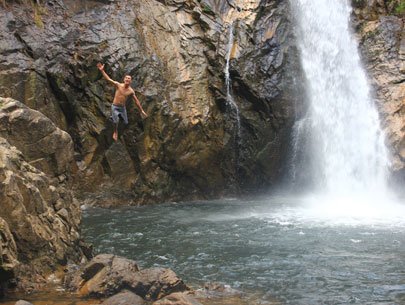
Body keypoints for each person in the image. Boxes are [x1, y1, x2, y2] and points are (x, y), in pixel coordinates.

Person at [97, 62, 148, 141]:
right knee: (116, 120)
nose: (127, 79)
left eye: (129, 79)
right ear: (124, 80)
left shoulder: (131, 91)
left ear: (130, 81)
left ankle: (116, 117)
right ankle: (115, 132)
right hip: (115, 106)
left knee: (126, 122)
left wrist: (141, 110)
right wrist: (102, 71)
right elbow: (108, 79)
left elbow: (136, 101)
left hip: (122, 108)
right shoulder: (118, 85)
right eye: (126, 78)